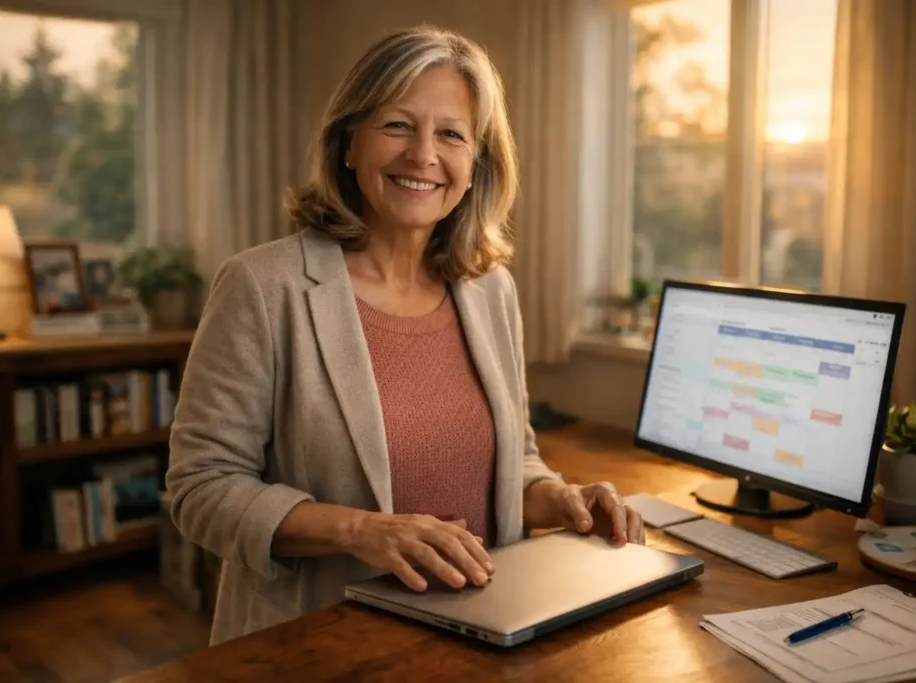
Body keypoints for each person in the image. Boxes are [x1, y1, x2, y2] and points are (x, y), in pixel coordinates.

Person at [166, 24, 645, 646]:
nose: (423, 155)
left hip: (484, 637)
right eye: (397, 125)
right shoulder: (262, 285)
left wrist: (562, 499)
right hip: (320, 643)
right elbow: (200, 487)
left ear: (475, 164)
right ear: (348, 143)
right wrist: (364, 531)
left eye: (451, 134)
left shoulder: (490, 287)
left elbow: (512, 462)